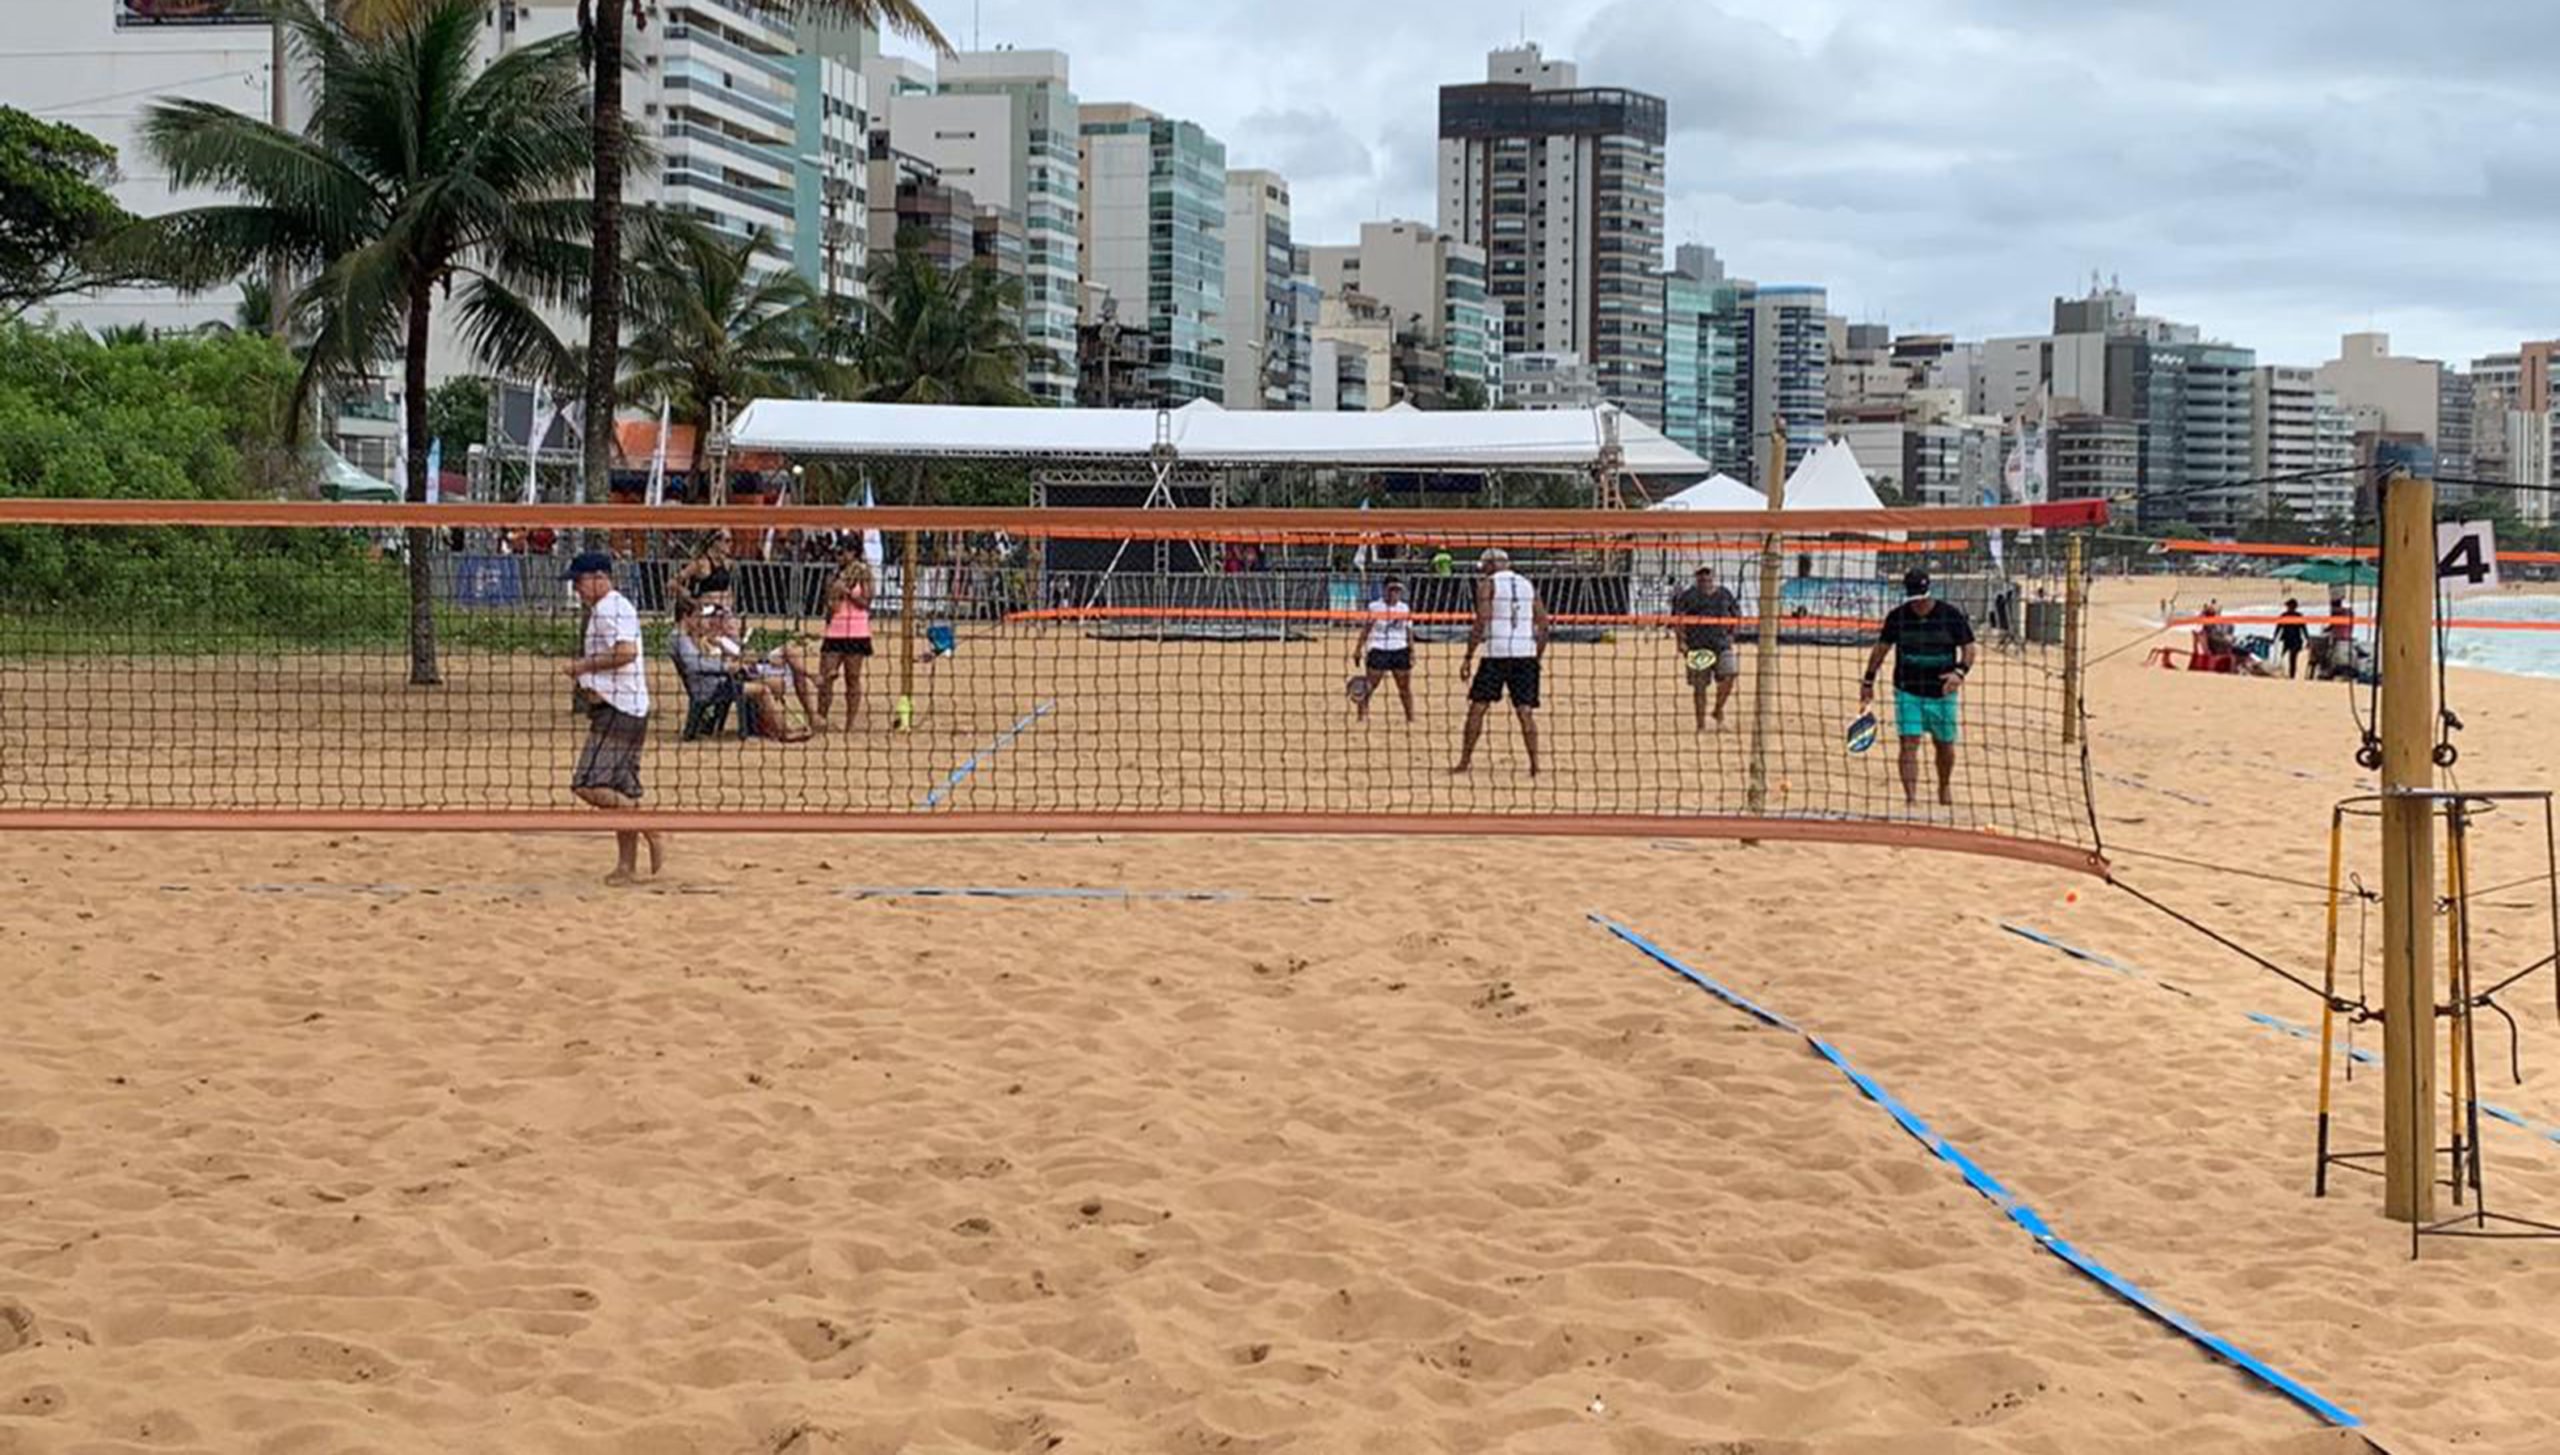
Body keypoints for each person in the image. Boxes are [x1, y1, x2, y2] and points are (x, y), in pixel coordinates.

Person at [561, 550, 665, 885]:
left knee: (587, 783)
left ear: (598, 577)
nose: (576, 589)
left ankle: (650, 827)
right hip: (626, 706)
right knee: (622, 788)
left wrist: (582, 667)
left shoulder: (610, 608)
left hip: (620, 709)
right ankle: (626, 867)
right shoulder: (613, 607)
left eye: (578, 581)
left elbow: (625, 653)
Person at [1859, 568, 1975, 810]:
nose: (1919, 603)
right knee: (1908, 743)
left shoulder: (1950, 615)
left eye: (1922, 597)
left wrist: (1959, 673)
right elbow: (1881, 649)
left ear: (1928, 591)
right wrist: (1868, 681)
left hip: (1942, 691)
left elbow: (1969, 649)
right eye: (1914, 599)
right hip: (1907, 689)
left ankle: (1944, 786)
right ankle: (1911, 799)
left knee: (1944, 744)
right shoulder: (1897, 617)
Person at [1452, 548, 1548, 777]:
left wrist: (1468, 656)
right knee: (1525, 711)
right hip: (1524, 653)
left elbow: (1481, 621)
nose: (1482, 571)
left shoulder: (1488, 585)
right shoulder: (1527, 584)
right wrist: (1537, 657)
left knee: (1478, 707)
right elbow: (1544, 625)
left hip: (1497, 653)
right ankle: (1535, 764)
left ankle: (1464, 762)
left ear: (1491, 565)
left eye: (1484, 567)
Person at [1668, 564, 1740, 733]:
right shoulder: (1688, 595)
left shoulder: (1725, 594)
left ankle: (1717, 709)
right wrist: (1681, 642)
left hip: (1721, 644)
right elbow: (1678, 620)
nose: (1704, 577)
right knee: (1700, 687)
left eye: (1707, 573)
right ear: (1696, 576)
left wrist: (1731, 635)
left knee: (1730, 675)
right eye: (1701, 573)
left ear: (1713, 575)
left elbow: (1736, 615)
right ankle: (1701, 725)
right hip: (1697, 646)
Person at [814, 553, 874, 730]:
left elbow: (867, 601)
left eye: (843, 552)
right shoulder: (833, 574)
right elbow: (828, 603)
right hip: (835, 631)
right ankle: (821, 718)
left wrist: (847, 592)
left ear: (853, 552)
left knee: (852, 678)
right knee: (826, 676)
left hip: (857, 632)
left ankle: (850, 723)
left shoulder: (863, 573)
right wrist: (834, 593)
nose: (840, 556)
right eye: (838, 552)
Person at [1351, 578, 1417, 724]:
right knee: (1370, 685)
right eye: (1392, 589)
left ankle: (1410, 717)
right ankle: (1362, 716)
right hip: (1378, 648)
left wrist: (1412, 651)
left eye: (1397, 590)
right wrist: (1358, 649)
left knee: (1404, 687)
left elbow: (1409, 631)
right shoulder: (1375, 607)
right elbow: (1366, 630)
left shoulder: (1404, 608)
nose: (1395, 593)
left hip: (1400, 649)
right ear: (1385, 590)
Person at [2275, 598, 2311, 679]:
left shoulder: (2290, 616)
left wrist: (2307, 639)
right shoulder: (2285, 616)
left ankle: (2291, 675)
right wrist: (2275, 637)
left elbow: (2303, 629)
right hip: (2289, 640)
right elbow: (2278, 628)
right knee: (2286, 657)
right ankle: (2288, 674)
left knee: (2292, 658)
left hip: (2294, 640)